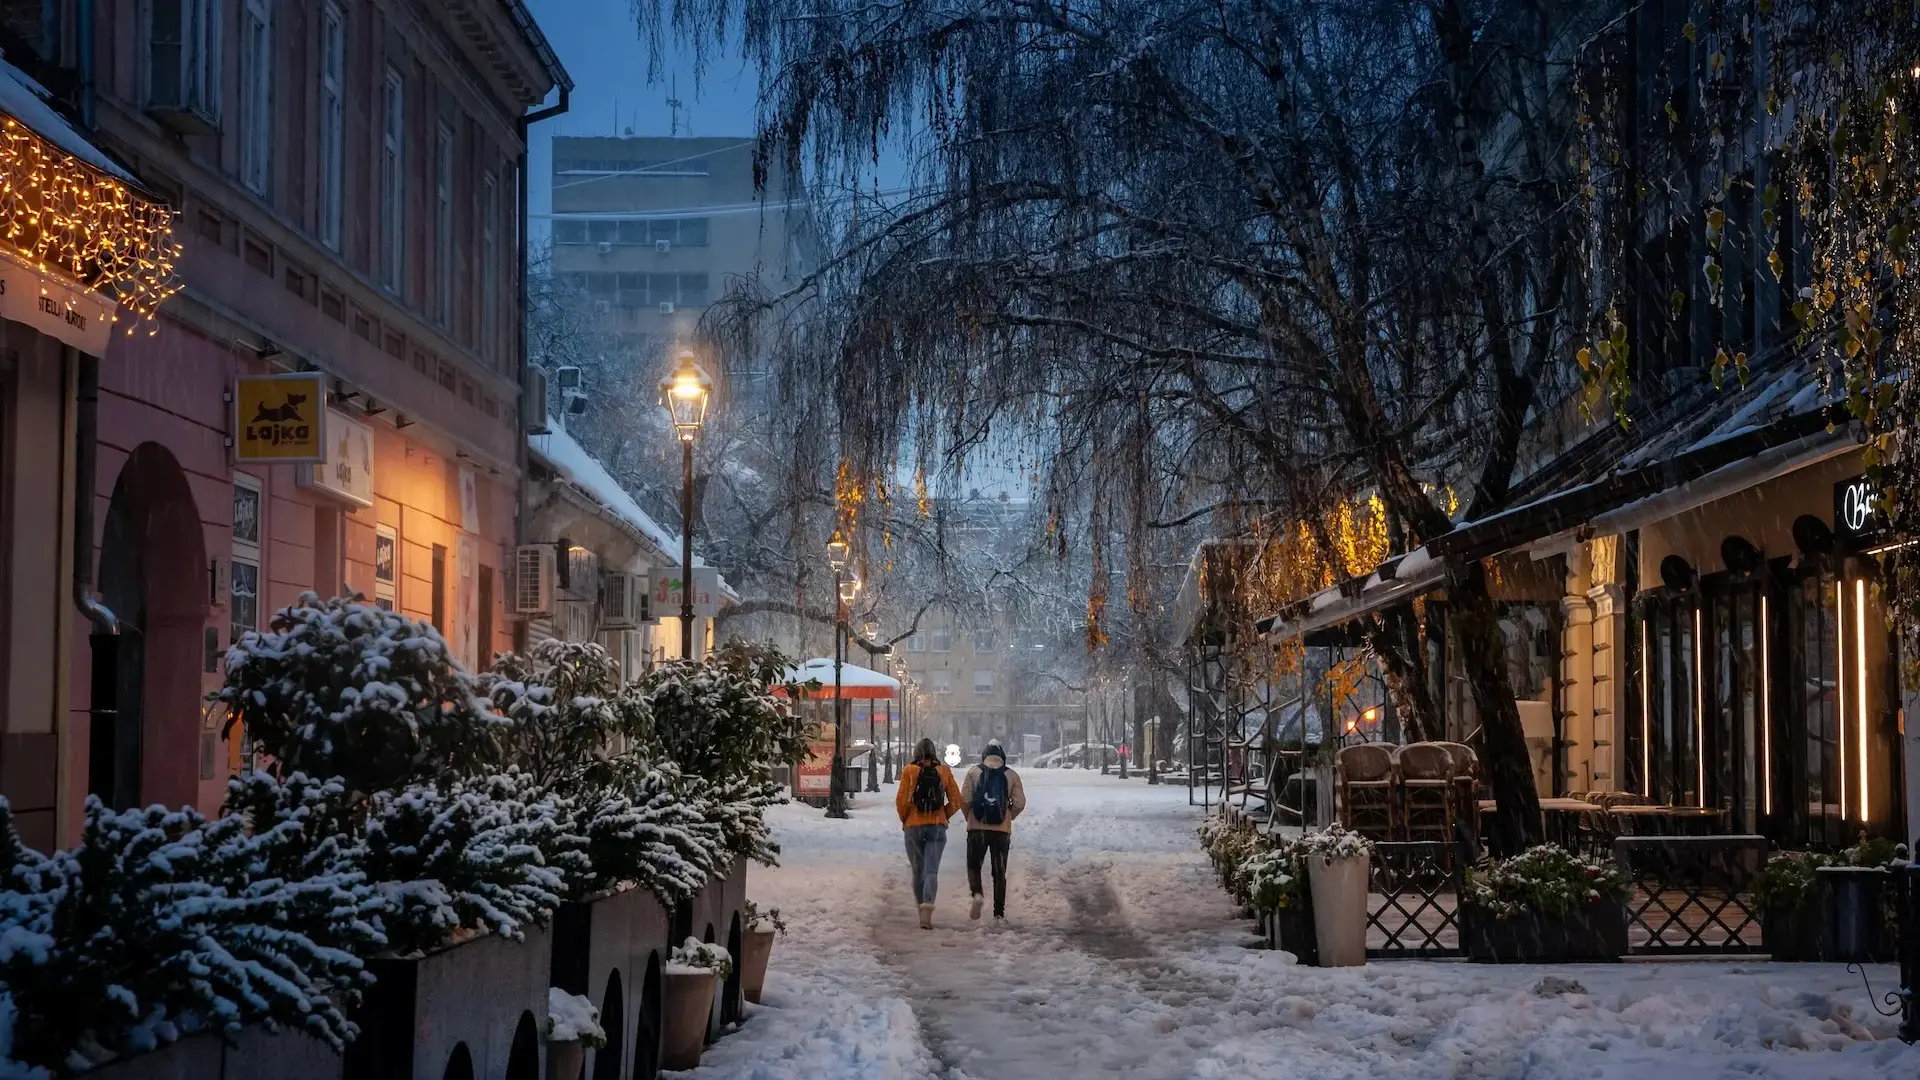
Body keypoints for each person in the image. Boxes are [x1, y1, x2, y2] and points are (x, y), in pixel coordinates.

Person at [895, 738, 965, 929]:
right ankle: (928, 906)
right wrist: (944, 814)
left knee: (918, 871)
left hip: (913, 827)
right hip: (936, 826)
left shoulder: (909, 771)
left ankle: (921, 910)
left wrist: (906, 819)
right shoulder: (943, 771)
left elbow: (901, 801)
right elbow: (957, 800)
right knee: (931, 870)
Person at [961, 739, 1027, 922]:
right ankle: (998, 913)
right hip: (1001, 832)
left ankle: (977, 894)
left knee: (974, 866)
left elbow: (964, 799)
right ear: (1002, 757)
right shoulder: (1011, 775)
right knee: (999, 871)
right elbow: (1020, 802)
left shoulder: (974, 772)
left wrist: (971, 817)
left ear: (984, 756)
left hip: (977, 829)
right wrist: (1008, 816)